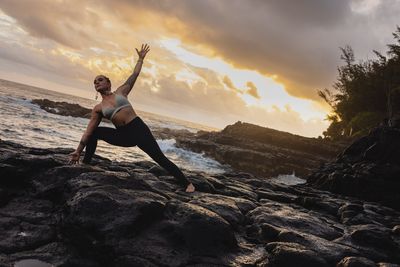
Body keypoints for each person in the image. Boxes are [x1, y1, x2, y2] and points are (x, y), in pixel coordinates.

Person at [68, 44, 195, 193]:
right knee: (94, 133)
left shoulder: (121, 92)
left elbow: (134, 75)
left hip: (138, 129)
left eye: (100, 80)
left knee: (159, 158)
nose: (97, 83)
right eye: (95, 82)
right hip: (123, 135)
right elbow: (88, 131)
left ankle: (187, 184)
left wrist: (140, 59)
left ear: (108, 82)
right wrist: (78, 150)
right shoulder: (98, 108)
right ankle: (86, 163)